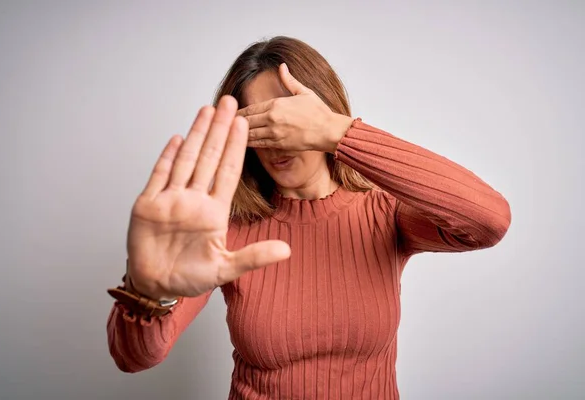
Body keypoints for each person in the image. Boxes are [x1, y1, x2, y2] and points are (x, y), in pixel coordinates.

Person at [106, 36, 511, 400]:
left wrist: (342, 133)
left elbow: (488, 220)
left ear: (321, 113)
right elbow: (136, 358)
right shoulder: (224, 229)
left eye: (286, 119)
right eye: (258, 126)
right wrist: (148, 292)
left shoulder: (384, 213)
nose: (277, 139)